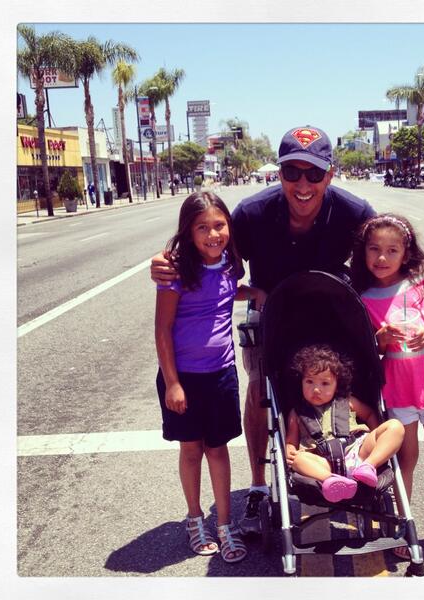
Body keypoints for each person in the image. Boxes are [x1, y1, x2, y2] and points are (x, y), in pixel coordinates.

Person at [151, 125, 377, 535]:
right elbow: (210, 248)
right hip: (273, 313)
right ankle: (258, 485)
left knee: (360, 378)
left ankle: (358, 460)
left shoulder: (354, 212)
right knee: (260, 389)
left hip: (332, 315)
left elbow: (388, 254)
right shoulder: (252, 214)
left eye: (314, 173)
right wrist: (168, 261)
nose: (303, 184)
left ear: (329, 174)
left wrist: (423, 283)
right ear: (279, 173)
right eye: (292, 172)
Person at [350, 213, 424, 564]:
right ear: (363, 252)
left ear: (406, 252)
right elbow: (371, 350)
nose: (382, 258)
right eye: (374, 249)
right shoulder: (363, 297)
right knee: (405, 458)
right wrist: (381, 339)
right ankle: (406, 524)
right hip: (399, 386)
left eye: (392, 250)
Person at [155, 190, 266, 564]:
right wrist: (172, 382)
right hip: (184, 378)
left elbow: (227, 292)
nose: (213, 234)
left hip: (221, 374)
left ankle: (223, 524)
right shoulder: (176, 272)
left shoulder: (231, 265)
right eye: (202, 227)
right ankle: (194, 518)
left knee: (218, 449)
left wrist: (254, 292)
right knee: (191, 450)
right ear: (188, 231)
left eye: (219, 225)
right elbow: (162, 329)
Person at [285, 344, 404, 503]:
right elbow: (291, 440)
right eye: (309, 381)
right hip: (323, 461)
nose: (316, 389)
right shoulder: (297, 413)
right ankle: (332, 481)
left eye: (324, 383)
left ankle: (369, 465)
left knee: (395, 426)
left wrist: (376, 436)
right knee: (298, 460)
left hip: (358, 451)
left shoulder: (348, 401)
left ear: (337, 385)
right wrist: (290, 449)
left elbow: (369, 414)